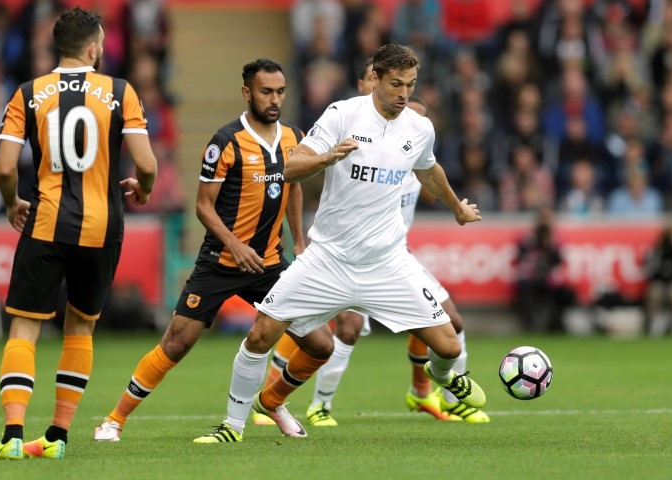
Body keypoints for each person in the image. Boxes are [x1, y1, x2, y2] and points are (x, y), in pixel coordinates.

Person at [195, 43, 486, 444]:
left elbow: (429, 169)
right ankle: (232, 425)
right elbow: (290, 168)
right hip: (329, 259)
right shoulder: (343, 114)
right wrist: (327, 158)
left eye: (411, 85)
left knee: (449, 345)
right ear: (375, 79)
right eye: (396, 84)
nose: (404, 94)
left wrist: (456, 208)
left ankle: (441, 377)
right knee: (261, 333)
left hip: (386, 263)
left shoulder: (419, 128)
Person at [92, 58, 307, 442]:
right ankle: (113, 420)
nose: (274, 99)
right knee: (177, 341)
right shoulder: (225, 141)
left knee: (320, 342)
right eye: (266, 92)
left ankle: (272, 401)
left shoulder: (294, 136)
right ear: (247, 93)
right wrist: (235, 245)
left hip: (269, 262)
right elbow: (203, 206)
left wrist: (300, 242)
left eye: (280, 92)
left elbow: (293, 189)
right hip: (221, 261)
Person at [0, 7, 158, 460]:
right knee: (80, 328)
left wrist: (11, 203)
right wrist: (143, 188)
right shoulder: (120, 92)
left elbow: (4, 167)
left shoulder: (28, 93)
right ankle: (57, 437)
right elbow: (147, 164)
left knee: (25, 328)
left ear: (58, 47)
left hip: (45, 222)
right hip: (102, 228)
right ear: (94, 48)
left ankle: (12, 436)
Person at [643, 222, 672, 336]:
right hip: (660, 282)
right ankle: (652, 324)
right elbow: (649, 269)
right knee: (655, 293)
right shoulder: (658, 249)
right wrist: (660, 248)